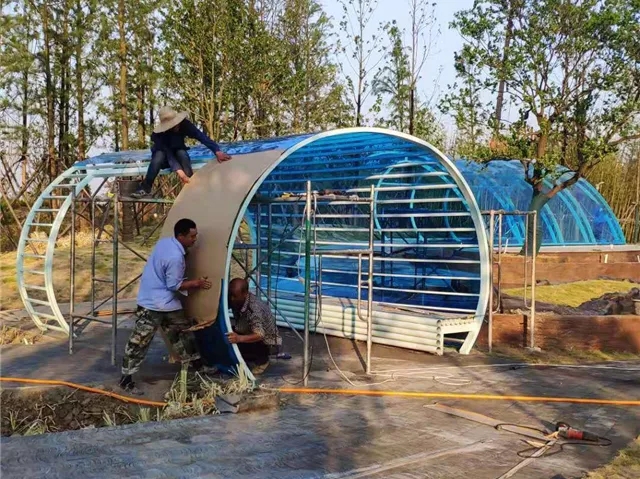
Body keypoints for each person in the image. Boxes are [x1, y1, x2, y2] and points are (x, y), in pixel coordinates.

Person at [119, 218, 212, 394]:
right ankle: (126, 380)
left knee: (184, 334)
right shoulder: (175, 257)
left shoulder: (165, 243)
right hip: (152, 304)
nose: (195, 239)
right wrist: (197, 283)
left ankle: (199, 367)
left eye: (196, 235)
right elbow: (174, 285)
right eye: (192, 236)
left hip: (165, 302)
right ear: (181, 236)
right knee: (140, 341)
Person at [131, 106, 232, 198]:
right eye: (172, 126)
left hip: (178, 153)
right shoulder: (159, 135)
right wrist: (180, 172)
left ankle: (191, 184)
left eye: (176, 124)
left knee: (182, 153)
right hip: (164, 158)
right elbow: (168, 154)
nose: (176, 127)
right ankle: (145, 188)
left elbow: (200, 136)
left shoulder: (185, 124)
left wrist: (217, 151)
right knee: (159, 156)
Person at [227, 278, 282, 375]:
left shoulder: (254, 308)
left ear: (245, 294)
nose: (232, 299)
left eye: (235, 296)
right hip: (246, 329)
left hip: (266, 341)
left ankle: (262, 361)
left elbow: (259, 335)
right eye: (230, 295)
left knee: (237, 344)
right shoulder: (236, 300)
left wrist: (239, 338)